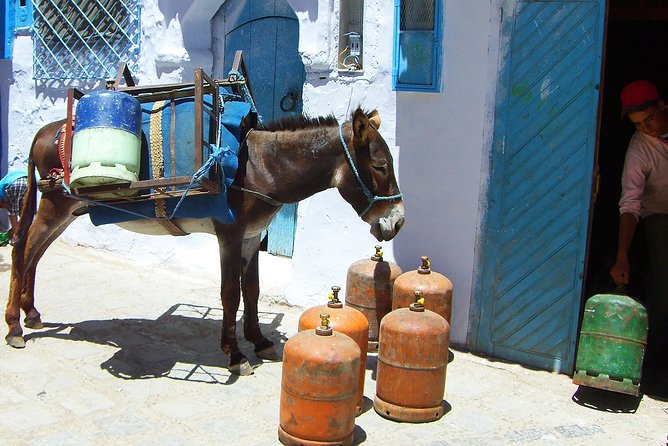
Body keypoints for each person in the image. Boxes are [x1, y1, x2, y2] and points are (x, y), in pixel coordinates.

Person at [610, 79, 668, 371]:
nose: (647, 128)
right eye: (638, 124)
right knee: (663, 286)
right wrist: (622, 255)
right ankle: (655, 364)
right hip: (659, 214)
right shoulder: (638, 151)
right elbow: (630, 205)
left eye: (649, 119)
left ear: (662, 106)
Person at [0, 170, 29, 245]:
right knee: (25, 212)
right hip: (29, 181)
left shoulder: (2, 194)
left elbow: (12, 213)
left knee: (13, 213)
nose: (3, 208)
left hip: (15, 183)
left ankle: (15, 237)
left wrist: (14, 230)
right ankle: (23, 235)